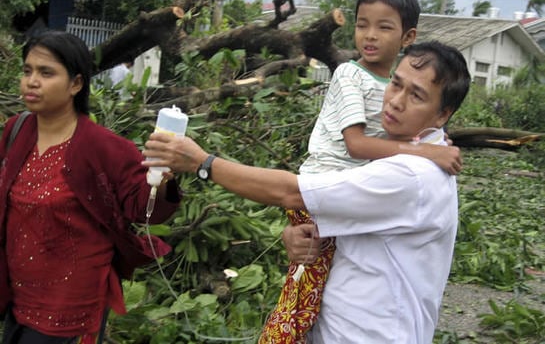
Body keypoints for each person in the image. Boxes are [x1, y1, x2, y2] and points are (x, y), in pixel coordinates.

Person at [143, 41, 472, 343]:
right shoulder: (411, 153)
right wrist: (304, 235)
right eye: (395, 83)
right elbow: (359, 224)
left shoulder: (410, 174)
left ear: (443, 114)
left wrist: (202, 162)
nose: (396, 101)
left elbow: (293, 193)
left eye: (415, 95)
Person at [264, 0, 462, 342]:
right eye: (361, 24)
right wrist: (427, 151)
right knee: (302, 293)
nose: (369, 36)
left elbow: (399, 142)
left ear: (408, 36)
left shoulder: (394, 84)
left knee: (311, 287)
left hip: (347, 194)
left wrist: (435, 141)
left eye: (384, 27)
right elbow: (356, 145)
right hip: (323, 183)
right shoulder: (350, 74)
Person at [0, 31, 181, 344]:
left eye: (46, 73)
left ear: (76, 84)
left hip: (70, 306)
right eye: (27, 71)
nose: (31, 81)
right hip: (17, 294)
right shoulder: (15, 131)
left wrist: (163, 180)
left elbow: (143, 207)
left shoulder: (105, 147)